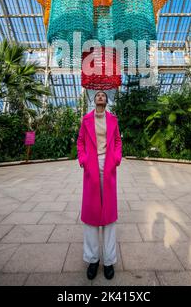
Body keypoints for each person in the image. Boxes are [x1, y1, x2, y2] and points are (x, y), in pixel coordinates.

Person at [77, 90, 122, 280]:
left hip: (109, 164)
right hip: (91, 167)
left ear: (106, 100)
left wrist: (117, 159)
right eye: (97, 95)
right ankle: (93, 259)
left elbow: (118, 142)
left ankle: (109, 261)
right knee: (91, 214)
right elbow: (80, 142)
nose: (101, 96)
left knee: (109, 214)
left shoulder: (113, 120)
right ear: (94, 100)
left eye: (103, 95)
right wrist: (84, 159)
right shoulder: (86, 119)